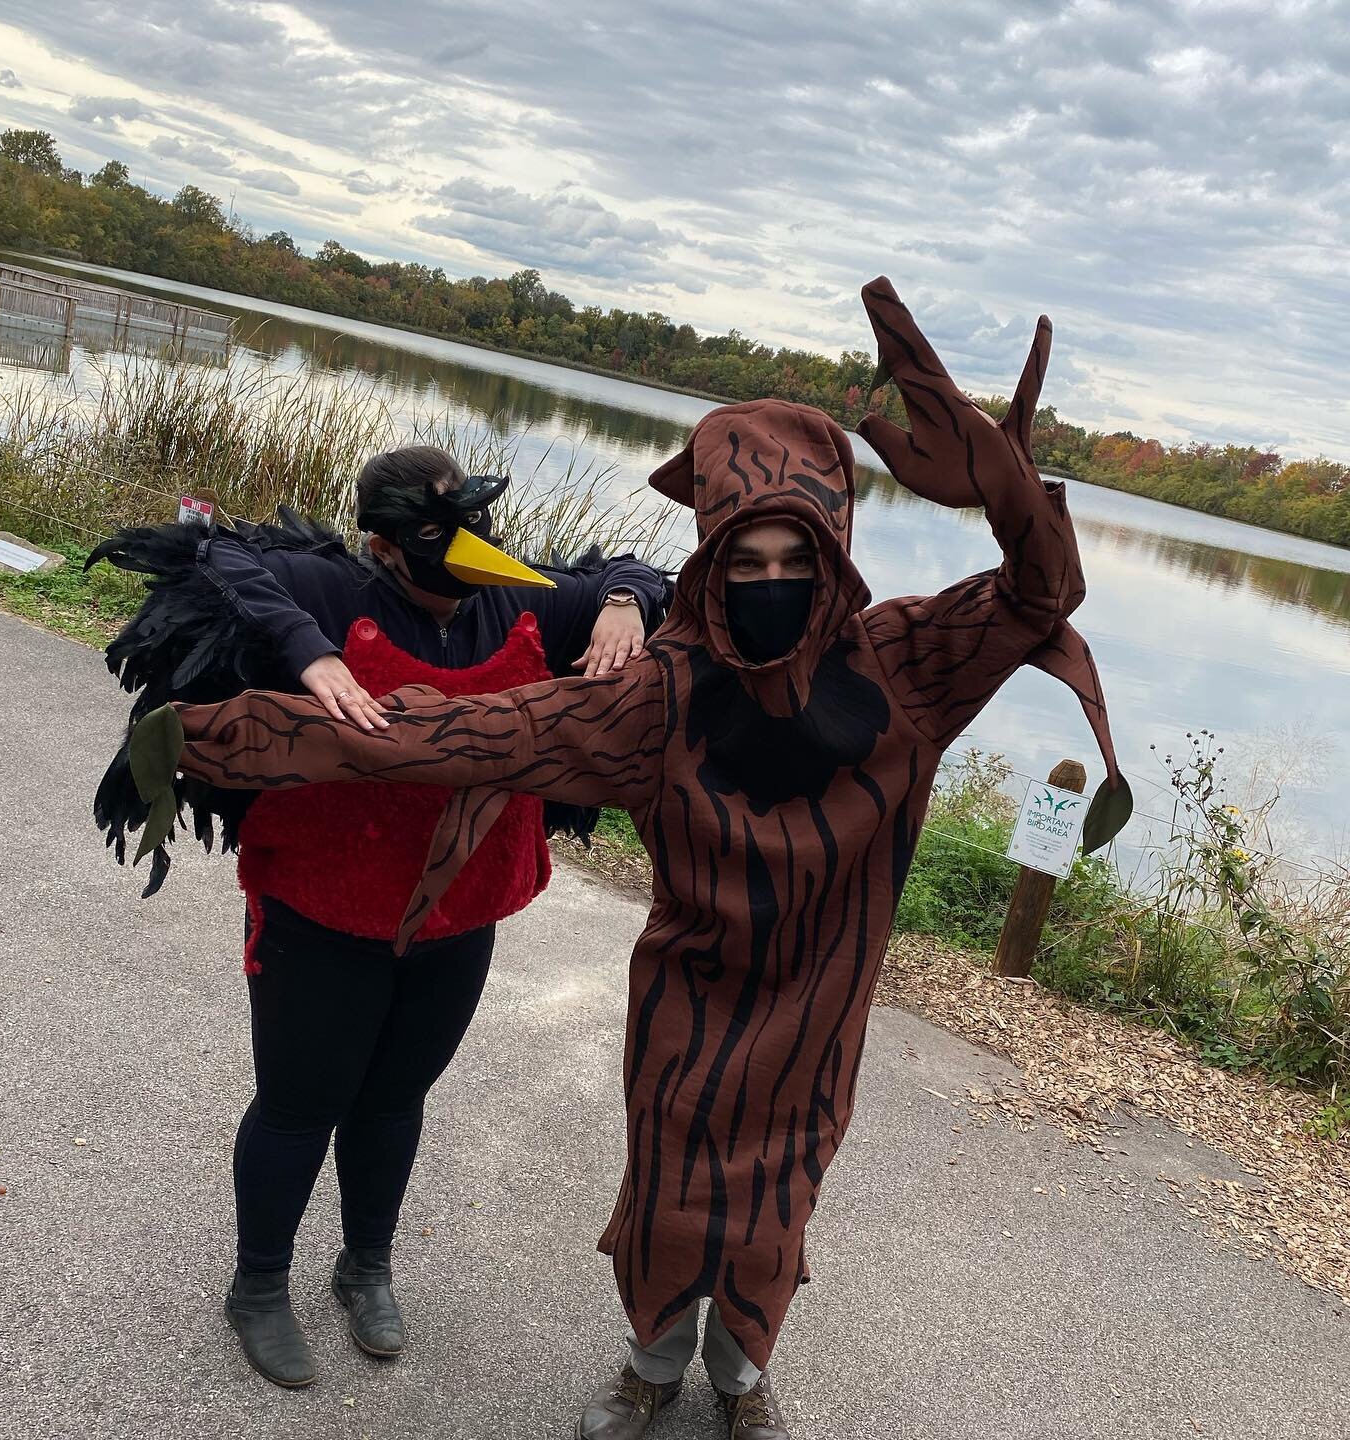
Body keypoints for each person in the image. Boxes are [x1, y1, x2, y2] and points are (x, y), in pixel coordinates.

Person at [134, 279, 1132, 1437]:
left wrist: (1010, 495)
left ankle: (741, 1377)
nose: (769, 582)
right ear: (713, 560)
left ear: (833, 555)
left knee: (777, 1203)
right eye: (743, 560)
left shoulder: (905, 663)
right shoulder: (662, 695)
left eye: (793, 557)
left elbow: (1037, 596)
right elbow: (459, 734)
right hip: (684, 998)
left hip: (819, 1010)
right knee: (667, 1190)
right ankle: (650, 1366)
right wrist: (214, 732)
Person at [89, 447, 666, 1389]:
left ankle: (365, 1268)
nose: (463, 547)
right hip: (323, 904)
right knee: (300, 1102)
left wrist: (625, 601)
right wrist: (308, 649)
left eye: (472, 523)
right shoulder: (329, 587)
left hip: (461, 914)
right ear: (384, 545)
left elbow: (631, 571)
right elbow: (208, 551)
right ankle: (258, 1286)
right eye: (435, 533)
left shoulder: (518, 597)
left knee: (396, 1097)